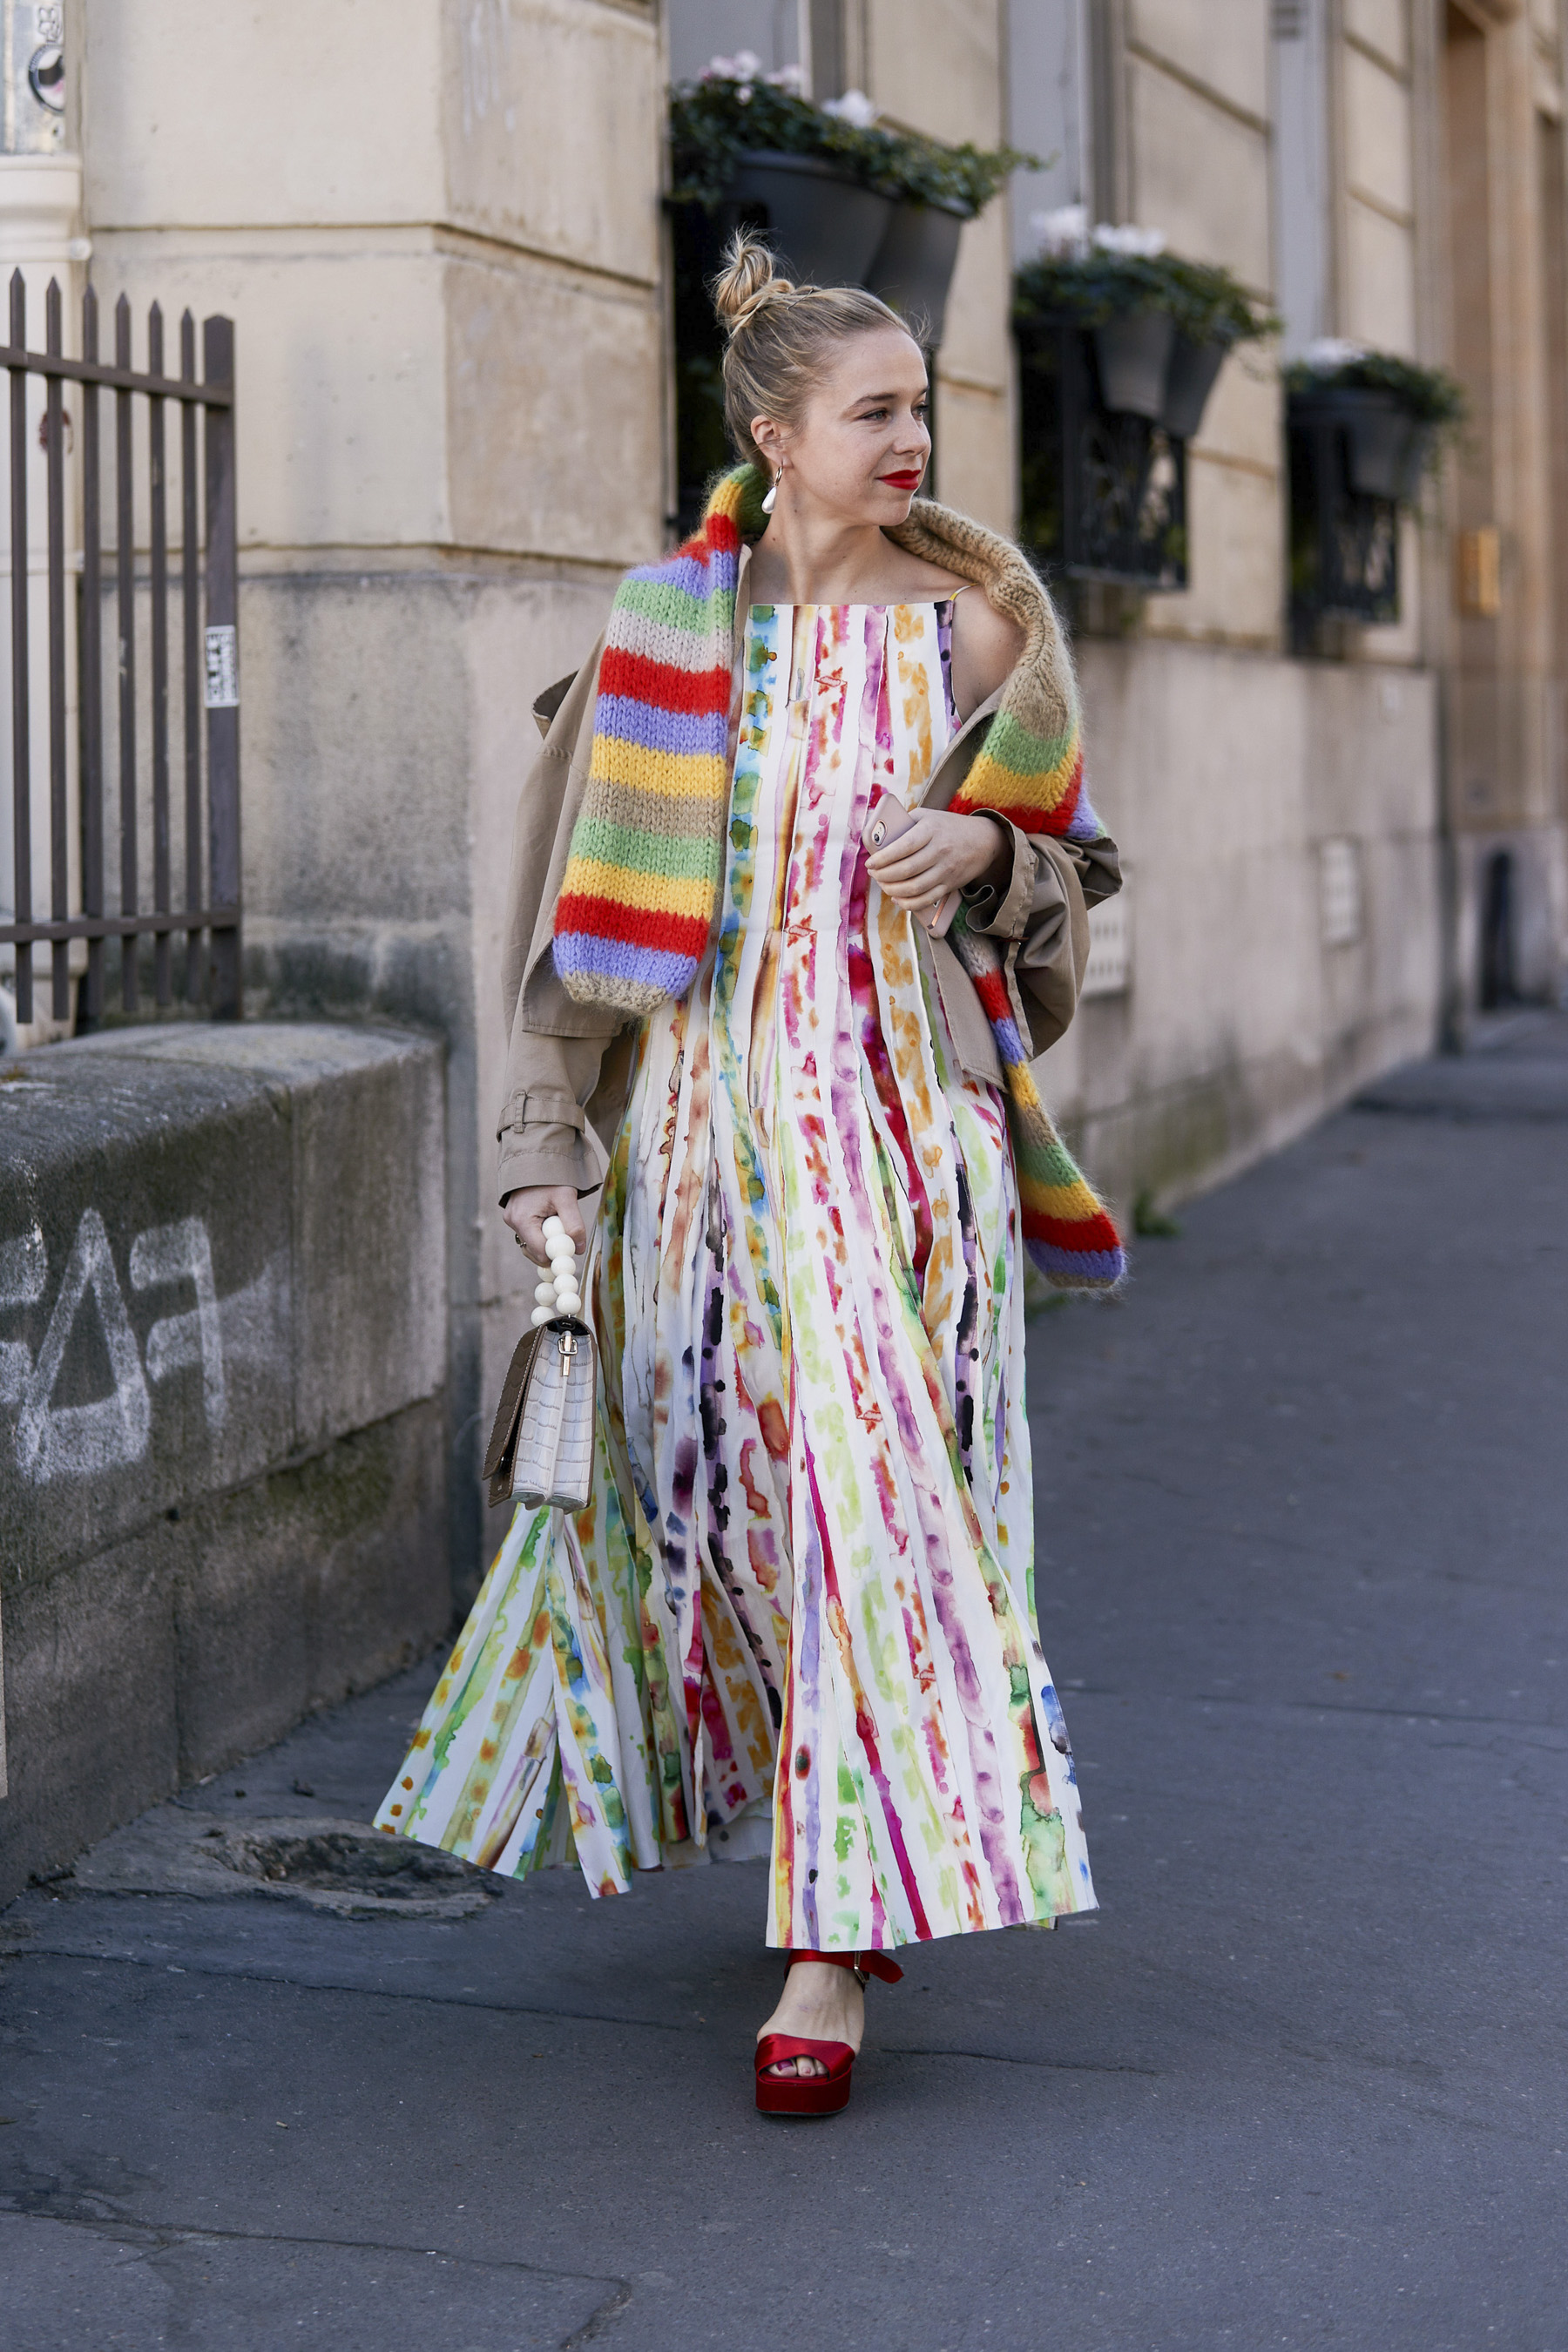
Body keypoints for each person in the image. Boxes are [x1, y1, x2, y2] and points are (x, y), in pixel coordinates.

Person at [376, 230, 1125, 2118]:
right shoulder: (665, 632)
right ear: (776, 438)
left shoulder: (980, 639)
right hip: (702, 1153)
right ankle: (838, 1821)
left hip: (906, 1151)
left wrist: (991, 859)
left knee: (879, 1506)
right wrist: (544, 1153)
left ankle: (826, 1945)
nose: (913, 440)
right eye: (876, 411)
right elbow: (564, 924)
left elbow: (1073, 885)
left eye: (921, 407)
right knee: (731, 1512)